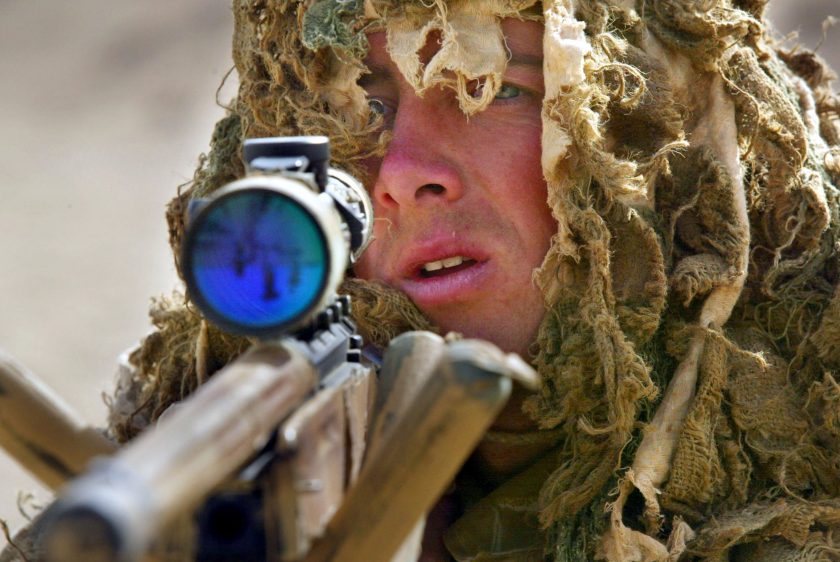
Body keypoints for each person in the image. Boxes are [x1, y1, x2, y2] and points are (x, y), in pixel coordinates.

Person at [4, 0, 840, 560]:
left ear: (645, 132)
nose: (400, 173)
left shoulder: (807, 443)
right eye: (361, 106)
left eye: (492, 89)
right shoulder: (211, 422)